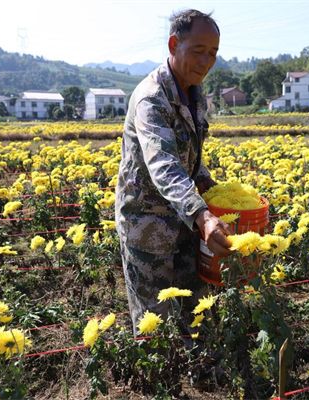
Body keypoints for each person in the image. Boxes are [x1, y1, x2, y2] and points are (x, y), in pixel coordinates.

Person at [115, 9, 232, 335]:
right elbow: (163, 163)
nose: (206, 61)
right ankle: (160, 383)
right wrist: (203, 215)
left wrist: (213, 191)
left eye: (213, 53)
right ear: (173, 44)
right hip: (147, 224)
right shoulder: (152, 99)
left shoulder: (196, 95)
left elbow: (190, 157)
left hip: (185, 220)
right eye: (198, 51)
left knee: (194, 306)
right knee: (154, 321)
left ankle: (198, 369)